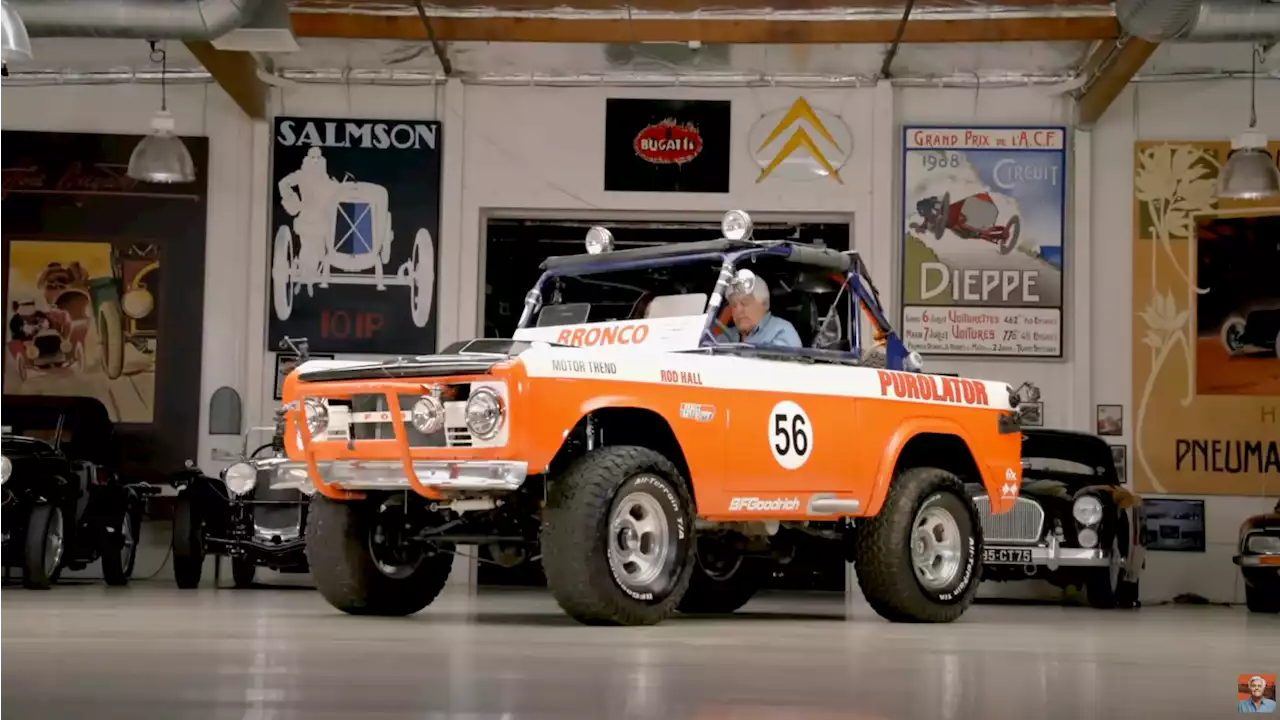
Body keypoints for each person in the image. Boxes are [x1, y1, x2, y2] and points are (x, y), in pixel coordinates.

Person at [719, 276, 801, 348]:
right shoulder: (725, 337)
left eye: (745, 302)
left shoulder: (782, 331)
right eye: (733, 304)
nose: (738, 309)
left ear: (764, 303)